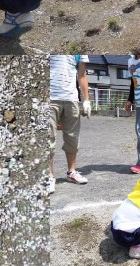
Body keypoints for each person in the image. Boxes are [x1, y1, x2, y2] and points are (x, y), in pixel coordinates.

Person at [49, 55, 91, 194]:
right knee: (48, 139)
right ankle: (48, 176)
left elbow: (82, 74)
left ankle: (71, 171)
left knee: (73, 138)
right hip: (49, 97)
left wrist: (86, 100)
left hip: (71, 98)